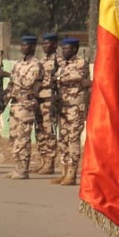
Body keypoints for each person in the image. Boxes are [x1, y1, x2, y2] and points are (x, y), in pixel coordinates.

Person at [2, 35, 43, 180]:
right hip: (15, 104)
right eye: (22, 45)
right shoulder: (18, 64)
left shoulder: (36, 65)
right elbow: (11, 85)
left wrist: (10, 76)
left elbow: (27, 83)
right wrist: (3, 101)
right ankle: (17, 166)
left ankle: (23, 169)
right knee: (14, 137)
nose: (23, 47)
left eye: (26, 45)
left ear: (32, 47)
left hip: (26, 104)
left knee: (23, 138)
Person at [51, 37, 91, 186]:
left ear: (74, 49)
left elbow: (76, 77)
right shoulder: (62, 63)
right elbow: (54, 78)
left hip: (75, 107)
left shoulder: (81, 62)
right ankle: (64, 171)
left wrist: (59, 78)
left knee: (73, 139)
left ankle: (72, 173)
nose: (64, 51)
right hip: (63, 106)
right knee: (63, 139)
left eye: (67, 48)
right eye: (63, 48)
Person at [34, 32, 60, 175]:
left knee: (49, 131)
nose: (44, 45)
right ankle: (43, 159)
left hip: (49, 99)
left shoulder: (60, 61)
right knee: (39, 131)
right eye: (43, 43)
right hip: (39, 99)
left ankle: (50, 162)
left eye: (47, 43)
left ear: (55, 44)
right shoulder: (41, 61)